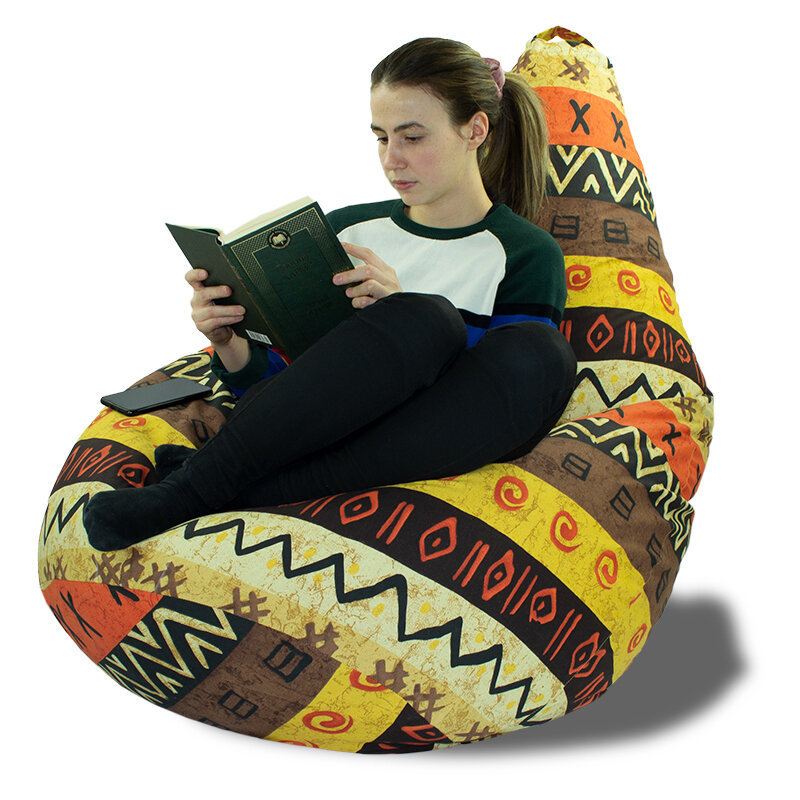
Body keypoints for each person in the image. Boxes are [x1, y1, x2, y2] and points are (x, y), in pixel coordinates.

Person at [84, 37, 577, 552]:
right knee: (422, 320)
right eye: (381, 138)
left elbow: (504, 392)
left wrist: (401, 311)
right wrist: (231, 344)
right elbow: (283, 388)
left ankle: (201, 486)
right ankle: (204, 488)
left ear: (475, 130)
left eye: (412, 138)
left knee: (532, 349)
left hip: (426, 436)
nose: (392, 160)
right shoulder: (345, 232)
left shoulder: (526, 252)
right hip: (318, 431)